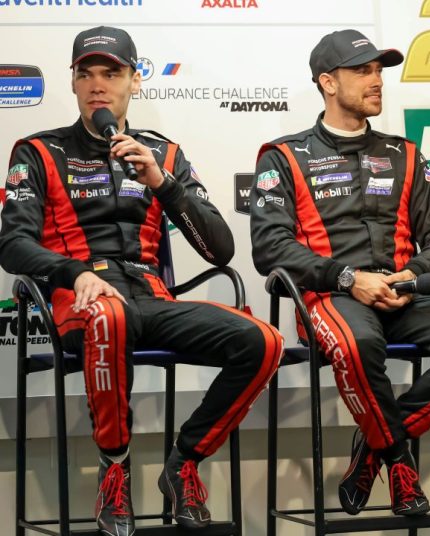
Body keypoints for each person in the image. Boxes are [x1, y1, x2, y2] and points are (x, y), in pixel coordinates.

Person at [0, 26, 283, 535]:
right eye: (86, 74)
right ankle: (115, 468)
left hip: (150, 296)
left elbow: (219, 250)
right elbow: (12, 244)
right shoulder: (39, 151)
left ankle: (184, 462)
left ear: (135, 81)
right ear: (73, 82)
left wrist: (163, 182)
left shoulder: (162, 154)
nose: (97, 85)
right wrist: (74, 272)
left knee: (263, 342)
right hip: (81, 299)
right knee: (108, 316)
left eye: (111, 73)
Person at [251, 29, 430, 516]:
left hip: (403, 293)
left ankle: (375, 445)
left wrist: (410, 276)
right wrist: (348, 278)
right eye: (362, 70)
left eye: (379, 70)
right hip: (331, 296)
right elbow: (270, 247)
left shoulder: (404, 153)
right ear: (327, 82)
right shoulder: (283, 156)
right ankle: (400, 461)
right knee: (356, 344)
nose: (377, 80)